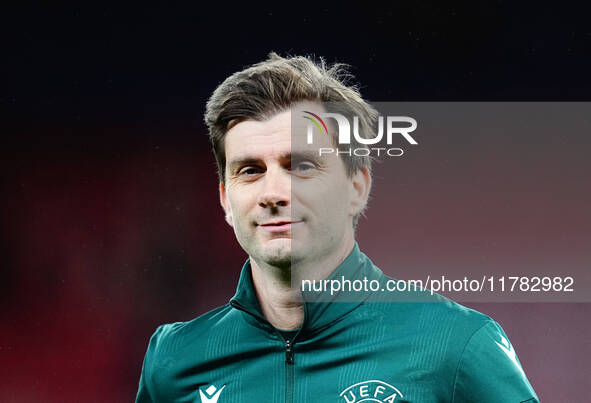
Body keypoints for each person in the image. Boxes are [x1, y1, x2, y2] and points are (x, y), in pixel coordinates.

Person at [135, 53, 539, 403]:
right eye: (250, 170)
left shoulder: (456, 346)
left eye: (302, 166)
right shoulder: (175, 361)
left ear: (356, 187)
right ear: (225, 198)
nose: (273, 192)